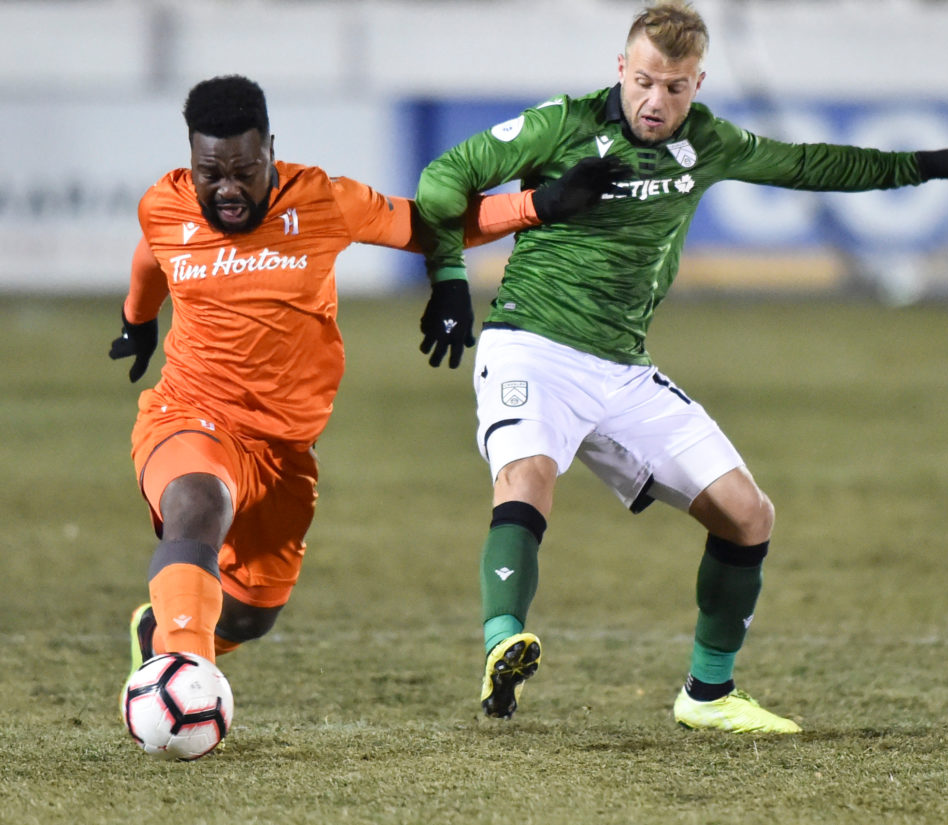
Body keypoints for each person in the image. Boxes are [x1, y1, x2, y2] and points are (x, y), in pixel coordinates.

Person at [413, 2, 948, 732]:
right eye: (644, 82)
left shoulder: (709, 140)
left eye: (675, 88)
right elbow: (444, 178)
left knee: (749, 514)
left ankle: (708, 693)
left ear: (698, 83)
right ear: (620, 70)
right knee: (528, 474)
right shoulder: (561, 126)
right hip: (531, 345)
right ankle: (504, 642)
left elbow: (811, 164)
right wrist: (450, 276)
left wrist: (932, 164)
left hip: (623, 368)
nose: (655, 102)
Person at [109, 74, 627, 708]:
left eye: (244, 170)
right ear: (192, 161)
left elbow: (429, 223)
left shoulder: (322, 200)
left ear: (270, 149)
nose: (227, 189)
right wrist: (138, 321)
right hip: (189, 413)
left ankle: (154, 628)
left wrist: (538, 206)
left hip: (284, 448)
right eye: (210, 172)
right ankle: (180, 675)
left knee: (248, 615)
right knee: (197, 504)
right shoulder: (165, 204)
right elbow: (148, 258)